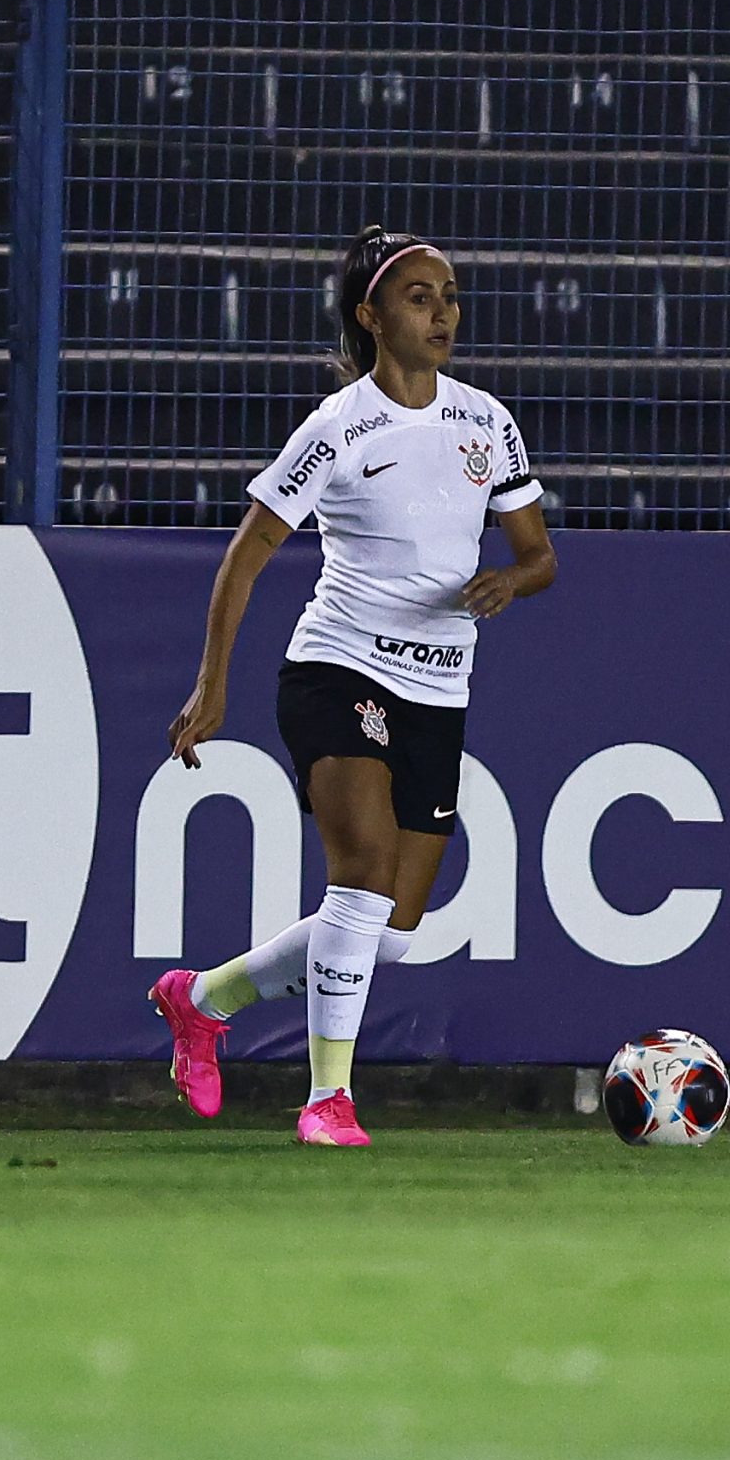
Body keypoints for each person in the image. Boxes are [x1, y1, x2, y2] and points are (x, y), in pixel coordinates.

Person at [150, 226, 556, 1146]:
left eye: (450, 292)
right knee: (363, 878)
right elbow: (247, 555)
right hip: (340, 666)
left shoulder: (486, 422)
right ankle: (328, 1100)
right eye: (420, 296)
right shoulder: (337, 429)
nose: (444, 310)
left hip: (439, 690)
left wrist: (507, 580)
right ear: (372, 317)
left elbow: (541, 557)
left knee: (392, 931)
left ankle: (201, 999)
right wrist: (212, 685)